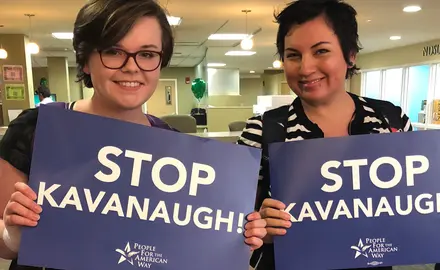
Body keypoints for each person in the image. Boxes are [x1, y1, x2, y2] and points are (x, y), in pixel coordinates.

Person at [0, 0, 266, 269]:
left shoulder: (178, 150)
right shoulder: (38, 128)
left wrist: (235, 240)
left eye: (147, 54)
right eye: (114, 51)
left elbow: (183, 247)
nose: (131, 66)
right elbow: (4, 244)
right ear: (86, 61)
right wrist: (14, 235)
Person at [238, 0, 413, 269]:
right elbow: (229, 223)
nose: (305, 68)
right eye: (293, 55)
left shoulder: (389, 120)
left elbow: (415, 203)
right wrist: (260, 229)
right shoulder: (263, 130)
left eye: (321, 51)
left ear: (350, 55)